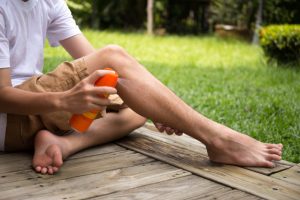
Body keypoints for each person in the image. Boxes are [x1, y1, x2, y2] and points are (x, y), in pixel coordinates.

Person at [0, 0, 283, 175]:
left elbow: (105, 72)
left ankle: (62, 143)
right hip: (7, 122)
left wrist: (154, 106)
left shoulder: (48, 2)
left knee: (136, 110)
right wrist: (63, 101)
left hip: (30, 119)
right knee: (113, 56)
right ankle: (218, 140)